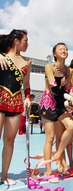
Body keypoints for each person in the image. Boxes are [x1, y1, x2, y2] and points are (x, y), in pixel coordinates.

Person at [38, 43, 73, 182]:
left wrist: (67, 103)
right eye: (60, 49)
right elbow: (55, 88)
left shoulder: (68, 70)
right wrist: (71, 99)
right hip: (48, 103)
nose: (64, 50)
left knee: (71, 126)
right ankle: (48, 172)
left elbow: (67, 90)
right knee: (50, 138)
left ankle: (59, 153)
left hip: (60, 105)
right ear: (54, 53)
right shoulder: (49, 67)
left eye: (65, 49)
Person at [0, 29, 31, 185]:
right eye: (25, 40)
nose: (27, 43)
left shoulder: (27, 62)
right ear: (16, 41)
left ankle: (4, 175)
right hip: (0, 98)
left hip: (16, 102)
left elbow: (26, 84)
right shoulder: (2, 56)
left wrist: (27, 98)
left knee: (10, 140)